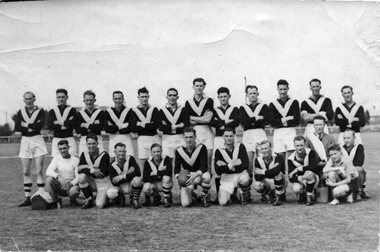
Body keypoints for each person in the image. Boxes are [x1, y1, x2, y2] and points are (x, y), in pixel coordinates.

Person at [14, 91, 48, 207]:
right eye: (26, 99)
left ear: (34, 99)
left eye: (30, 99)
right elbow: (17, 127)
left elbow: (40, 125)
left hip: (38, 140)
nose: (28, 101)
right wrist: (31, 126)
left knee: (39, 171)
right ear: (24, 100)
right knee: (26, 171)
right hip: (25, 141)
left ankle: (41, 196)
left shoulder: (40, 111)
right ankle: (27, 198)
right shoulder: (21, 112)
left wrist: (26, 125)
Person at [239, 85, 269, 202]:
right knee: (249, 165)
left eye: (254, 93)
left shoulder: (264, 106)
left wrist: (250, 120)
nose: (252, 95)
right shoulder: (243, 107)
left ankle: (264, 192)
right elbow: (242, 121)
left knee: (262, 163)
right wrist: (256, 118)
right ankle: (247, 193)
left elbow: (266, 120)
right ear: (247, 94)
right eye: (250, 93)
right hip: (248, 135)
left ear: (258, 94)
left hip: (260, 133)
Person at [211, 87, 239, 200]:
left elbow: (236, 121)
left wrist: (221, 124)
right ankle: (219, 194)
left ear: (229, 96)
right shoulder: (214, 110)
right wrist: (227, 124)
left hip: (232, 138)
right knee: (219, 165)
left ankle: (234, 194)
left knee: (233, 164)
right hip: (218, 138)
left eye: (225, 96)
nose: (223, 98)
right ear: (218, 97)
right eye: (221, 97)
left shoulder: (235, 109)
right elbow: (212, 122)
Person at [174, 127, 211, 207]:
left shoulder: (201, 147)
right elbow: (176, 168)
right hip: (188, 176)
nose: (189, 140)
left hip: (199, 175)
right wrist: (180, 178)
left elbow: (204, 166)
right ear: (183, 137)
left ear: (195, 137)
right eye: (186, 137)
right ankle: (194, 196)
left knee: (207, 177)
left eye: (191, 137)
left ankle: (204, 196)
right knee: (185, 204)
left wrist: (196, 174)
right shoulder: (179, 150)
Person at [269, 79, 300, 172]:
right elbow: (272, 122)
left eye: (284, 89)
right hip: (278, 132)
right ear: (277, 89)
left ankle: (292, 178)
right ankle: (281, 182)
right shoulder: (273, 104)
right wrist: (286, 118)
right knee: (280, 159)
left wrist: (280, 121)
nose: (283, 91)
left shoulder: (294, 102)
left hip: (290, 131)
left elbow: (296, 120)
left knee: (292, 158)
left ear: (288, 89)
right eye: (280, 89)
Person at [214, 128, 250, 206]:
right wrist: (233, 164)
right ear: (223, 137)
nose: (229, 138)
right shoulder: (219, 151)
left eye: (231, 136)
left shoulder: (240, 146)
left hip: (239, 175)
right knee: (223, 202)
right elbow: (218, 170)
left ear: (234, 136)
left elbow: (245, 164)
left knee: (245, 178)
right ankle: (232, 194)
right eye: (226, 136)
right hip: (227, 178)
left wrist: (226, 166)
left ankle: (243, 192)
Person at [185, 78, 214, 171]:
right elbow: (187, 121)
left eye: (201, 86)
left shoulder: (209, 100)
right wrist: (202, 119)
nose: (199, 88)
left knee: (208, 161)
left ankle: (207, 183)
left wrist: (192, 117)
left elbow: (208, 119)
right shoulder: (188, 102)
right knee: (194, 161)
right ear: (193, 87)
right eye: (197, 85)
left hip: (207, 132)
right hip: (194, 133)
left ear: (204, 87)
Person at [77, 134, 111, 209]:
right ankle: (89, 198)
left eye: (93, 143)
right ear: (86, 144)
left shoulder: (104, 154)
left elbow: (102, 173)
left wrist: (86, 168)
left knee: (99, 205)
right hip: (92, 181)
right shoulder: (84, 154)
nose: (91, 146)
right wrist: (92, 170)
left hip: (103, 182)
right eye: (89, 144)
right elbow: (79, 170)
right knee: (81, 177)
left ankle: (108, 197)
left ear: (97, 144)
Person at [106, 142, 143, 209]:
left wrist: (122, 176)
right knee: (110, 193)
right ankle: (120, 198)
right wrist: (130, 174)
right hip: (120, 188)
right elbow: (114, 182)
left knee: (137, 180)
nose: (122, 153)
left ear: (126, 151)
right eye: (119, 151)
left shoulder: (130, 159)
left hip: (130, 185)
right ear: (115, 152)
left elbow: (138, 173)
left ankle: (135, 200)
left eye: (123, 151)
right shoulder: (112, 164)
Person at [132, 87, 160, 169]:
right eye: (142, 97)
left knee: (156, 160)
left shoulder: (154, 109)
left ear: (148, 96)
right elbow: (133, 128)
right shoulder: (134, 111)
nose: (144, 99)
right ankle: (145, 180)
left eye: (146, 97)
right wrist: (149, 125)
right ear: (138, 97)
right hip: (142, 138)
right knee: (143, 162)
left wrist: (140, 124)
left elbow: (155, 126)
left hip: (154, 137)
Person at [45, 140, 80, 207]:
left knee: (74, 191)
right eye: (60, 149)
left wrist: (70, 185)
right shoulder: (56, 159)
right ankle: (56, 201)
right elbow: (48, 171)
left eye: (64, 148)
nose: (63, 151)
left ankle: (73, 199)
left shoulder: (75, 160)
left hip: (72, 185)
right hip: (61, 185)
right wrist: (58, 176)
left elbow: (78, 177)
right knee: (49, 180)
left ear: (68, 148)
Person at [159, 88, 189, 161]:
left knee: (182, 161)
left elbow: (186, 125)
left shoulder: (183, 109)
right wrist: (178, 125)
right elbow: (161, 127)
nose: (172, 97)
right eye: (170, 95)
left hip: (180, 138)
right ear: (167, 97)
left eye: (174, 95)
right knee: (167, 161)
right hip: (167, 139)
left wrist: (168, 127)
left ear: (177, 97)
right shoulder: (162, 110)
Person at [288, 136, 320, 206]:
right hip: (300, 180)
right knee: (296, 188)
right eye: (297, 145)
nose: (299, 147)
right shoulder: (291, 158)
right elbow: (290, 177)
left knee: (309, 173)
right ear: (294, 146)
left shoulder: (311, 152)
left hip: (312, 178)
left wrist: (299, 169)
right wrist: (300, 178)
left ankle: (309, 196)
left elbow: (314, 167)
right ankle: (301, 194)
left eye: (301, 145)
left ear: (305, 145)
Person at [253, 140, 286, 206]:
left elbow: (277, 172)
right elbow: (257, 177)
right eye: (262, 149)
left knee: (278, 174)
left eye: (266, 148)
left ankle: (279, 196)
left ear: (271, 148)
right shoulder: (258, 159)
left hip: (280, 181)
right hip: (267, 182)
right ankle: (268, 193)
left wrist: (263, 171)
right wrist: (271, 170)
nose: (264, 151)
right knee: (256, 185)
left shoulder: (278, 157)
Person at [104, 91, 134, 160]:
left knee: (129, 159)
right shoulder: (108, 112)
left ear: (123, 99)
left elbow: (131, 128)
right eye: (116, 99)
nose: (118, 101)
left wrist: (114, 128)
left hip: (126, 138)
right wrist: (122, 126)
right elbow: (107, 129)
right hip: (113, 138)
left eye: (119, 98)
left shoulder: (129, 111)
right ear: (113, 99)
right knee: (113, 160)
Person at [341, 129, 370, 200]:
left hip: (354, 170)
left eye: (348, 138)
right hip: (343, 171)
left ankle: (358, 191)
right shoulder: (341, 148)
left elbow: (359, 162)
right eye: (344, 138)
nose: (346, 140)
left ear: (354, 138)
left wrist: (348, 167)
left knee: (358, 169)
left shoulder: (359, 147)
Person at [48, 89, 78, 157]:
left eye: (63, 97)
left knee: (72, 159)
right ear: (56, 98)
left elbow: (72, 123)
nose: (61, 99)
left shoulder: (72, 110)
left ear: (67, 97)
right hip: (56, 138)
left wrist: (58, 122)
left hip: (69, 138)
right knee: (56, 161)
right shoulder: (52, 111)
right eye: (59, 97)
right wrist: (64, 125)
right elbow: (50, 126)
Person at [76, 90, 105, 155]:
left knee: (100, 159)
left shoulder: (101, 112)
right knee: (83, 160)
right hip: (84, 139)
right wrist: (93, 126)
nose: (89, 102)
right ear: (84, 101)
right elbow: (78, 129)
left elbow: (100, 127)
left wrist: (86, 125)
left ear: (94, 100)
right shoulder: (79, 113)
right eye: (87, 100)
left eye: (91, 100)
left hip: (97, 138)